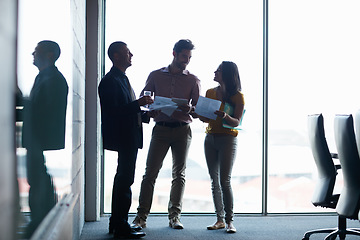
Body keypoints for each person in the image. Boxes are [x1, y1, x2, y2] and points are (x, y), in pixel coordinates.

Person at [132, 39, 201, 229]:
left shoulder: (193, 80)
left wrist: (190, 108)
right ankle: (141, 217)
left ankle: (174, 217)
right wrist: (150, 109)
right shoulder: (155, 76)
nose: (186, 61)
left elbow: (197, 111)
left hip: (182, 130)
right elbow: (144, 101)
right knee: (150, 173)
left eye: (189, 57)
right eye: (184, 57)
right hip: (160, 128)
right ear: (174, 54)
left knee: (179, 174)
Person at [98, 41, 153, 239]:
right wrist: (138, 104)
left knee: (123, 179)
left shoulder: (121, 78)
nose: (132, 54)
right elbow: (114, 113)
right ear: (116, 56)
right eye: (128, 52)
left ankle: (117, 222)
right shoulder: (110, 81)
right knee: (124, 180)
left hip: (128, 135)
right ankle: (120, 225)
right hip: (124, 136)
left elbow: (127, 109)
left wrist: (146, 113)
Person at [21, 40, 69, 237]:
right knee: (38, 176)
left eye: (37, 50)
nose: (33, 53)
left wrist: (18, 100)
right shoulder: (46, 77)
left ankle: (39, 221)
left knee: (37, 178)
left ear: (49, 55)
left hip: (38, 137)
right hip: (38, 138)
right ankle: (39, 218)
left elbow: (41, 109)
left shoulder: (53, 79)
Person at [198, 61, 244, 234]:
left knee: (225, 180)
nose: (215, 72)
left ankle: (230, 220)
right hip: (210, 138)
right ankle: (219, 219)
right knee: (214, 180)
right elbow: (205, 119)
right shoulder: (210, 92)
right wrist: (197, 113)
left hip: (228, 139)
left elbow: (237, 122)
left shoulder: (237, 96)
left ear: (226, 74)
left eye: (219, 70)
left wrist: (225, 115)